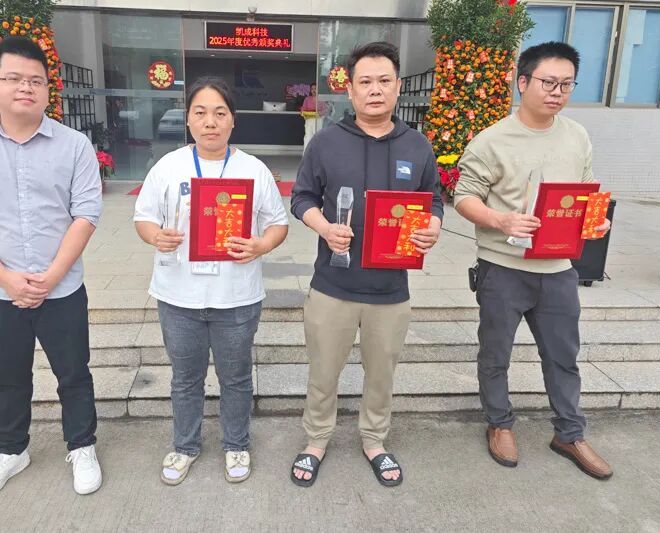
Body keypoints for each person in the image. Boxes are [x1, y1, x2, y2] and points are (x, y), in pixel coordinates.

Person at [0, 36, 104, 500]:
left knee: (74, 373)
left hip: (62, 288)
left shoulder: (74, 145)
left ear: (48, 88)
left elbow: (85, 214)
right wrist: (5, 277)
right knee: (8, 375)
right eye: (14, 78)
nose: (25, 88)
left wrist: (51, 277)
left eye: (36, 80)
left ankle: (82, 445)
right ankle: (11, 450)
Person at [453, 41, 613, 480]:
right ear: (522, 82)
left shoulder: (577, 135)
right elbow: (464, 196)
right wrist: (500, 218)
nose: (557, 92)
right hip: (503, 267)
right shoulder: (491, 140)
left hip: (559, 270)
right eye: (548, 82)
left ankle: (570, 433)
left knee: (563, 356)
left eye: (566, 84)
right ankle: (499, 423)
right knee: (496, 354)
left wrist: (593, 221)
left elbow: (586, 190)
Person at [289, 42, 443, 488]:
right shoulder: (326, 143)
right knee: (323, 373)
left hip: (390, 290)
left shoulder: (417, 145)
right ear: (351, 90)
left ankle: (374, 440)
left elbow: (432, 198)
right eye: (366, 82)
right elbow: (302, 197)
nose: (375, 90)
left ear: (398, 87)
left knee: (381, 375)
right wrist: (324, 228)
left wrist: (432, 225)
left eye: (384, 81)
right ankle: (316, 440)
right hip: (332, 286)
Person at [134, 76, 289, 485]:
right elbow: (143, 217)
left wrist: (261, 245)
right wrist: (155, 236)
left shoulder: (254, 170)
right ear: (188, 119)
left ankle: (236, 444)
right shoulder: (168, 167)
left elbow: (278, 223)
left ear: (233, 120)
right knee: (185, 379)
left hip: (235, 297)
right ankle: (185, 446)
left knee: (235, 378)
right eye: (200, 112)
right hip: (178, 296)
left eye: (220, 113)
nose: (210, 122)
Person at [300, 83, 329, 151]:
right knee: (308, 137)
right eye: (312, 89)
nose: (313, 90)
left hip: (318, 120)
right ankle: (306, 154)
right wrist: (304, 113)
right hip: (309, 120)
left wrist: (319, 113)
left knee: (318, 138)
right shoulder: (307, 99)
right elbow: (303, 109)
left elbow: (326, 109)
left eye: (315, 89)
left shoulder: (321, 99)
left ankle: (317, 154)